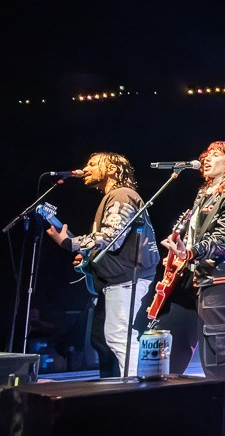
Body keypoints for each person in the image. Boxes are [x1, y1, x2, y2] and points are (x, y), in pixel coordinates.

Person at [153, 142, 225, 428]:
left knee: (224, 347)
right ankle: (161, 397)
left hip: (218, 276)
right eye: (206, 154)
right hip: (191, 277)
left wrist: (191, 252)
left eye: (215, 155)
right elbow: (193, 233)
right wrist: (178, 243)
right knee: (171, 335)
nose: (206, 158)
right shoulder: (204, 194)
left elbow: (223, 237)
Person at [45, 153, 159, 377]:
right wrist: (87, 260)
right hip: (121, 278)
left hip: (127, 278)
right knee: (114, 336)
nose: (85, 168)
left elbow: (111, 237)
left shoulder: (121, 195)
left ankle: (140, 388)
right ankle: (135, 386)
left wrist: (69, 243)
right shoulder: (114, 197)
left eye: (93, 164)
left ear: (113, 170)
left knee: (119, 336)